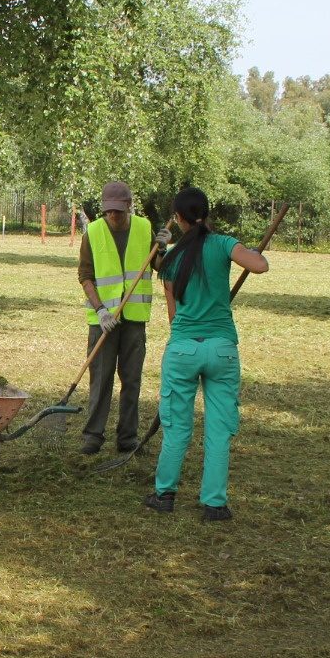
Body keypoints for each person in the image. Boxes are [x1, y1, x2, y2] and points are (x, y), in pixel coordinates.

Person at [143, 185, 269, 521]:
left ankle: (164, 494)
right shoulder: (223, 244)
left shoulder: (170, 261)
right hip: (222, 350)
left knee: (177, 427)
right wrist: (256, 251)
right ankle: (214, 503)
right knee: (219, 429)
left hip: (183, 348)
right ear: (207, 214)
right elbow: (259, 266)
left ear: (180, 219)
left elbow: (172, 317)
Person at [77, 181, 169, 454]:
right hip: (103, 320)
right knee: (100, 379)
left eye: (119, 211)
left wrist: (162, 249)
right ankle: (93, 436)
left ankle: (127, 438)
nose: (114, 216)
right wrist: (101, 310)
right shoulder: (92, 233)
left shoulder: (143, 228)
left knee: (132, 380)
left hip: (134, 319)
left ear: (129, 206)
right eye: (109, 211)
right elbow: (85, 276)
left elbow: (158, 267)